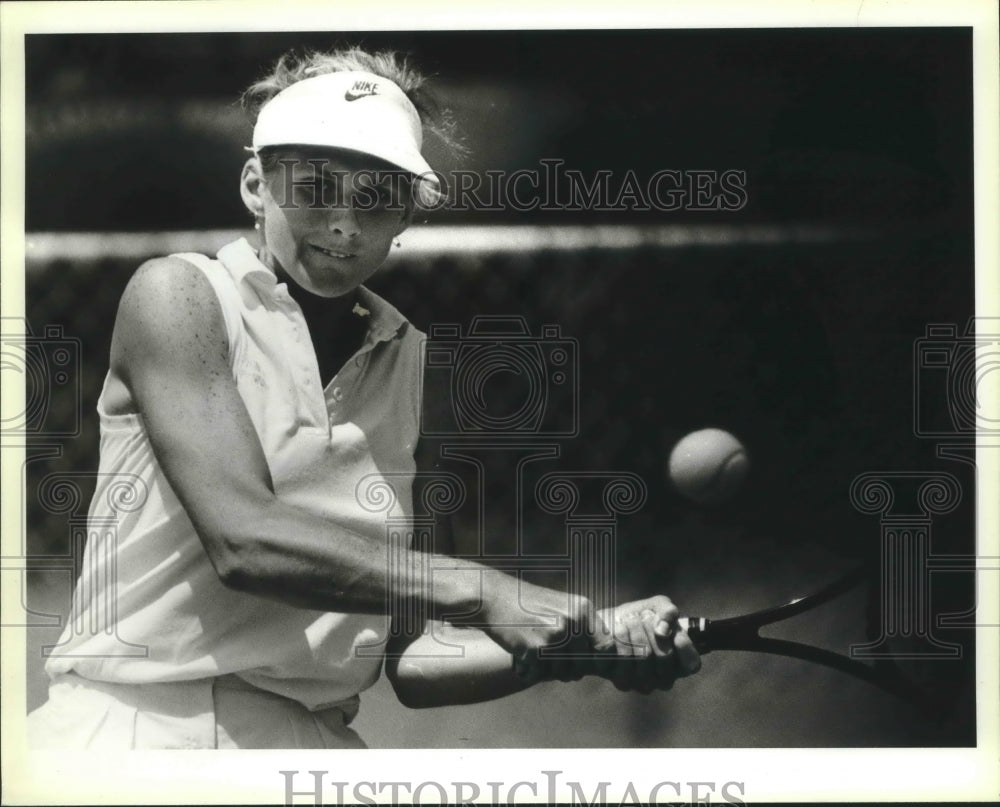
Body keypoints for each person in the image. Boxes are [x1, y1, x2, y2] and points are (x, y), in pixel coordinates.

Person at [28, 46, 700, 749]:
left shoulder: (414, 365)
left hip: (314, 747)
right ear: (257, 185)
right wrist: (488, 591)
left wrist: (581, 646)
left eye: (377, 197)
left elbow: (414, 655)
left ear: (408, 211)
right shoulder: (179, 295)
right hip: (134, 734)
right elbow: (245, 539)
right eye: (315, 188)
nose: (345, 223)